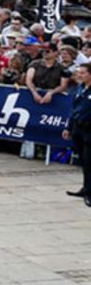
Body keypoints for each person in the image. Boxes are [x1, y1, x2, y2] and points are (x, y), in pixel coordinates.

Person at [63, 64, 91, 206]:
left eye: (83, 73)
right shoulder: (80, 88)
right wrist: (68, 127)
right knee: (84, 161)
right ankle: (86, 188)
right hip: (78, 129)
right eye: (79, 72)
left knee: (89, 161)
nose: (79, 75)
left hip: (89, 130)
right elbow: (73, 109)